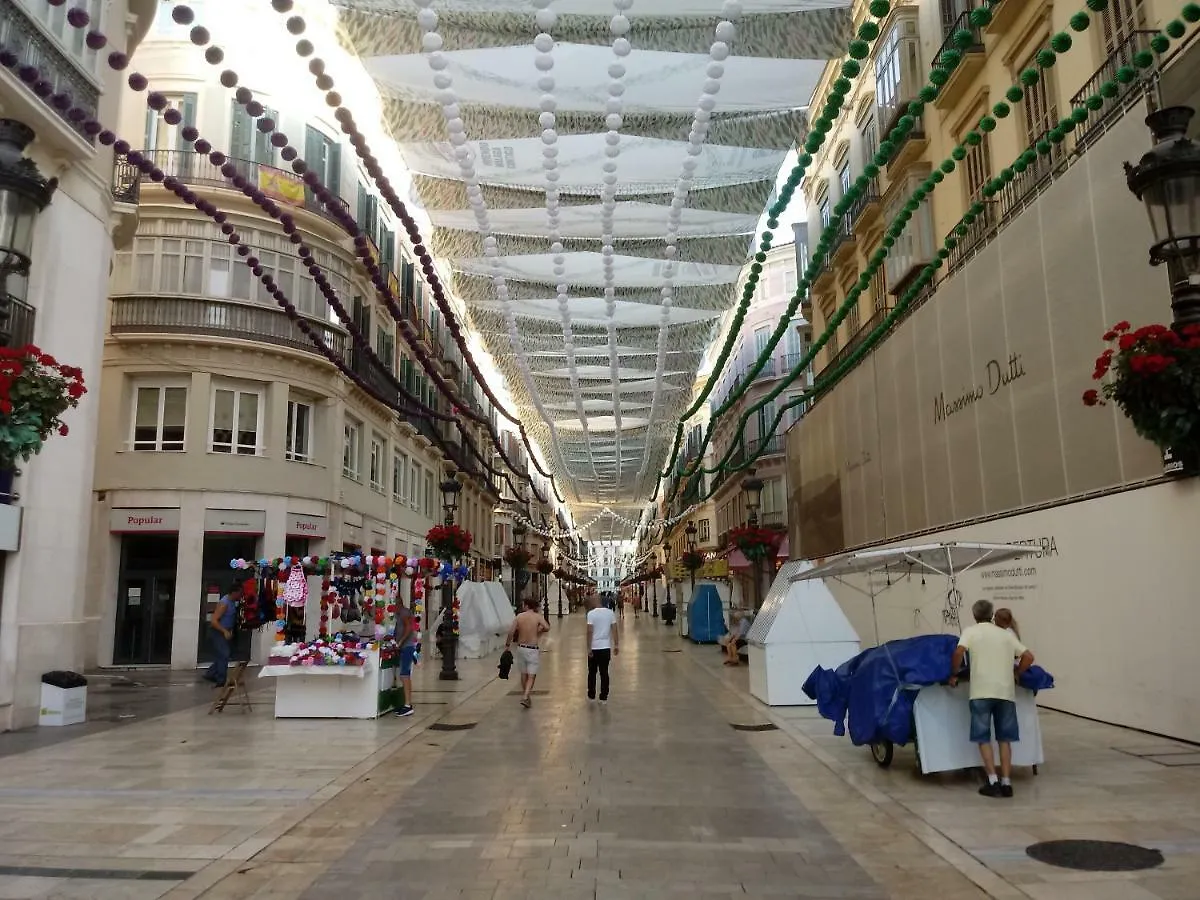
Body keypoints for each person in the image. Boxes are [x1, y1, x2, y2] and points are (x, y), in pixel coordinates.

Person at [950, 599, 1035, 798]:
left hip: (981, 692)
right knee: (1005, 739)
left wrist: (954, 672)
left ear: (974, 615)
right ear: (992, 614)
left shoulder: (970, 632)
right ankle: (1007, 783)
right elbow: (1029, 656)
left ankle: (992, 780)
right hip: (1005, 693)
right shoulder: (1005, 635)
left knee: (983, 738)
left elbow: (958, 652)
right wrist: (1017, 674)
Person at [506, 597, 550, 708]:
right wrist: (538, 631)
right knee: (531, 675)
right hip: (532, 648)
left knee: (523, 673)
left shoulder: (519, 617)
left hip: (521, 648)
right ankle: (526, 696)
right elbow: (547, 627)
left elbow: (511, 631)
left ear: (526, 605)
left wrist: (507, 644)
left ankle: (526, 695)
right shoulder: (537, 617)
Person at [203, 581, 244, 687]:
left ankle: (210, 673)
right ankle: (220, 680)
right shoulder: (224, 603)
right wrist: (224, 631)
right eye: (239, 593)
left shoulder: (232, 602)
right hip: (218, 632)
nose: (240, 596)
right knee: (224, 654)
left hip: (225, 631)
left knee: (223, 655)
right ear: (234, 592)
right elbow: (214, 621)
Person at [586, 595, 619, 704]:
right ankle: (603, 696)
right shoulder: (610, 613)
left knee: (592, 672)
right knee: (604, 672)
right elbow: (614, 629)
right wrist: (616, 645)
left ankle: (591, 695)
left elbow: (589, 631)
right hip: (605, 647)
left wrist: (588, 647)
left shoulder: (591, 614)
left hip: (594, 647)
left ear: (595, 601)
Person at [393, 601, 418, 718]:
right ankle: (405, 703)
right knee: (403, 675)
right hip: (405, 647)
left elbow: (408, 627)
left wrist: (401, 641)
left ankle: (408, 705)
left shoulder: (403, 613)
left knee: (405, 674)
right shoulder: (399, 614)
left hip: (407, 647)